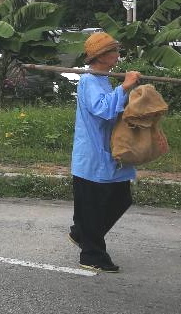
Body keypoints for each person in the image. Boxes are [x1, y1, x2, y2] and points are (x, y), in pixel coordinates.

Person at [68, 33, 141, 273]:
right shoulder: (89, 80)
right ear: (101, 56)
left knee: (121, 198)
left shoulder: (103, 79)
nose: (118, 56)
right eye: (114, 52)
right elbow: (103, 109)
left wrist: (127, 91)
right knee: (92, 208)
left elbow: (114, 105)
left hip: (106, 152)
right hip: (91, 155)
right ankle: (92, 254)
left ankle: (82, 233)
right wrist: (125, 86)